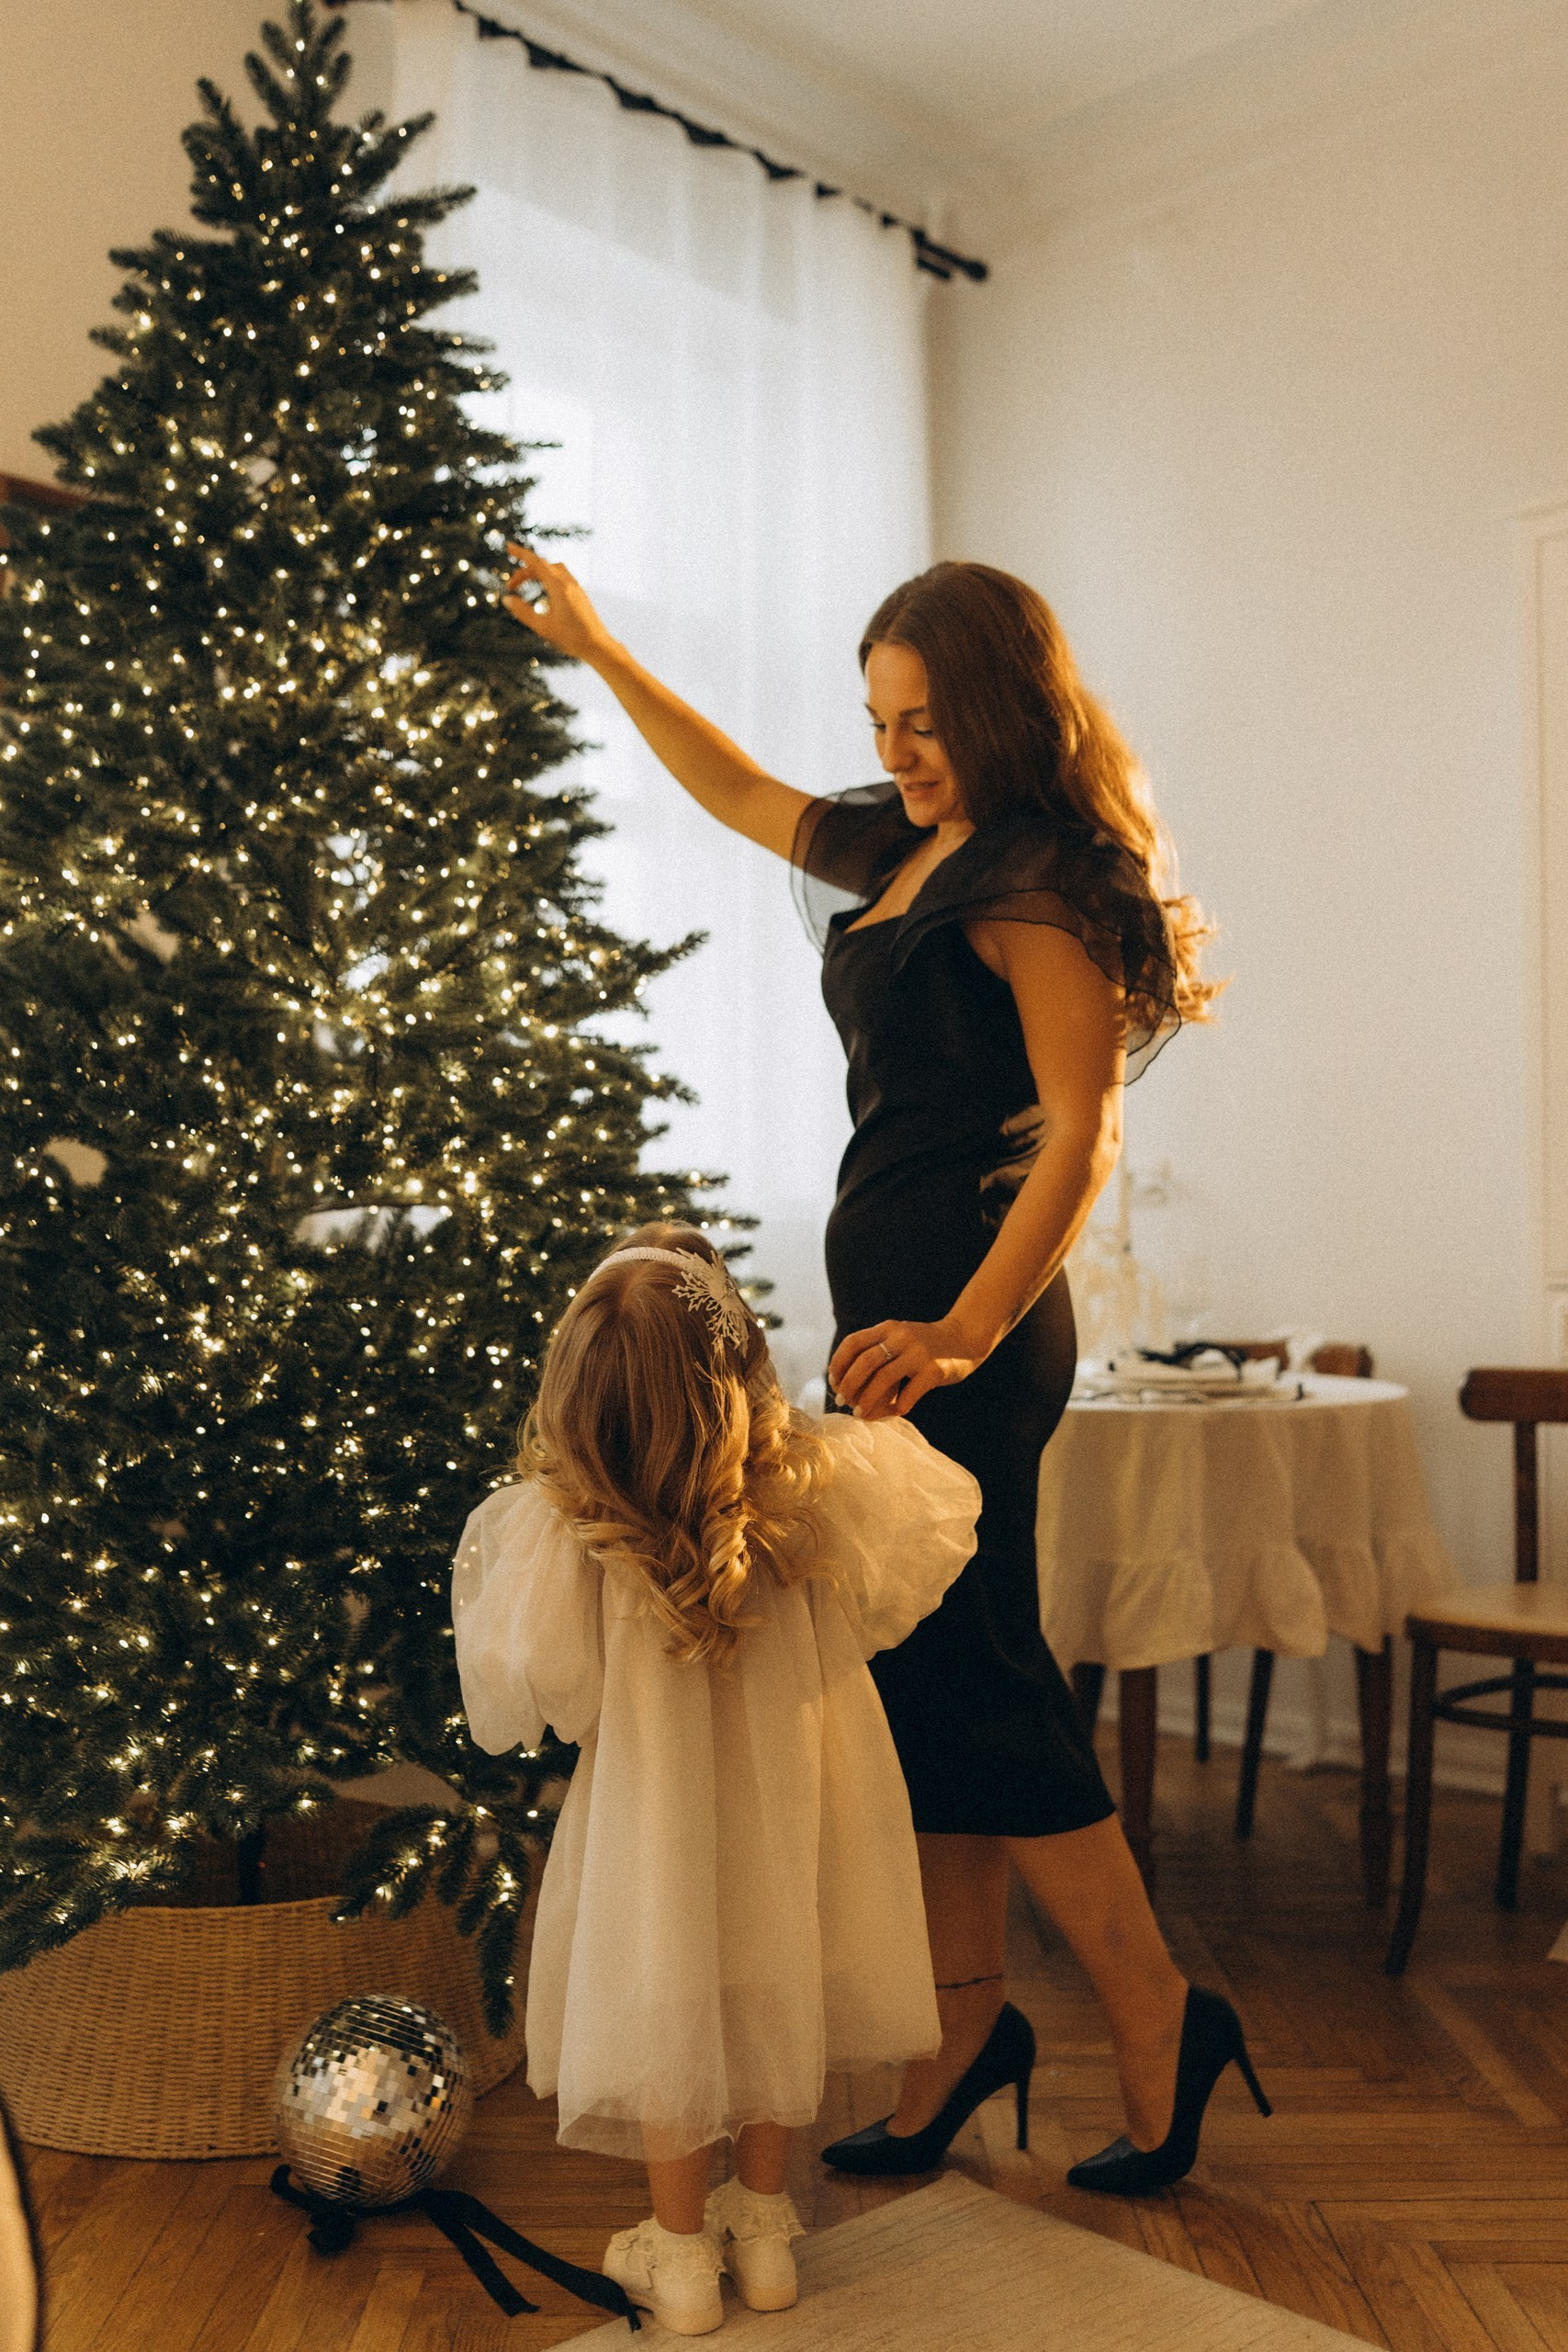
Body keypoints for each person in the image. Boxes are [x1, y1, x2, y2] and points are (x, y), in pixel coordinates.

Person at [499, 550, 1269, 2197]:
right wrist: (603, 646)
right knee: (927, 1690)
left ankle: (1155, 2017)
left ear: (994, 704)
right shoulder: (907, 851)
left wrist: (972, 1328)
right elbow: (738, 790)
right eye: (879, 721)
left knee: (980, 1675)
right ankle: (956, 2039)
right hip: (896, 1340)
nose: (897, 751)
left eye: (920, 722)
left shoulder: (1039, 882)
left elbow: (1081, 1130)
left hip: (966, 1342)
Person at [451, 1222, 983, 2335]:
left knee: (673, 2004)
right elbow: (921, 1549)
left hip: (658, 1824)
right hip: (803, 1803)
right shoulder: (823, 1481)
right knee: (774, 1980)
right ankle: (767, 2226)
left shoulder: (565, 1530)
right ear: (742, 1369)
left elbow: (539, 1697)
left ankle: (683, 2257)